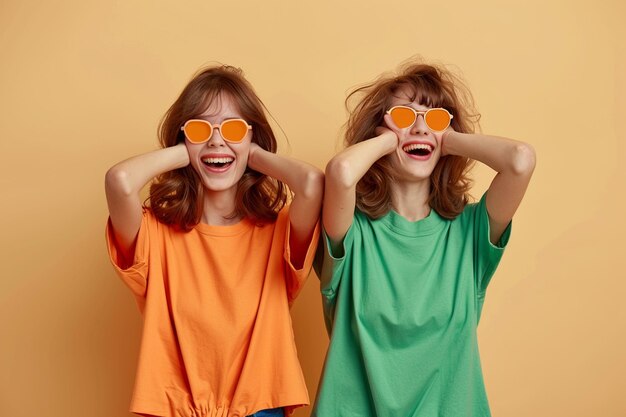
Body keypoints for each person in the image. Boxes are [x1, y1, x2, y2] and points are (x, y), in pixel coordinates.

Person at [313, 60, 536, 417]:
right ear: (378, 133)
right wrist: (393, 137)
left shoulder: (469, 232)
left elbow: (521, 161)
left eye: (435, 117)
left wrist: (444, 137)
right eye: (403, 116)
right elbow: (340, 173)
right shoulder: (352, 231)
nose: (419, 128)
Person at [104, 65, 323, 417]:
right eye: (200, 128)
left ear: (253, 138)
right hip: (173, 408)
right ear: (182, 137)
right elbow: (119, 181)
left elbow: (312, 183)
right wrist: (188, 151)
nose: (217, 140)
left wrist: (249, 152)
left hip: (260, 407)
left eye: (233, 128)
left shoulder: (277, 230)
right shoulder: (154, 232)